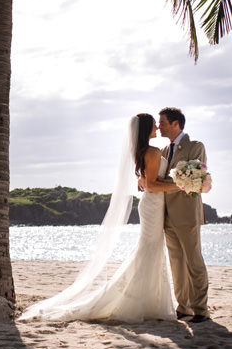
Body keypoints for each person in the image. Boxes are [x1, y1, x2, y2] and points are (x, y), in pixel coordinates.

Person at [19, 113, 178, 322]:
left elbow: (144, 180)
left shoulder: (142, 151)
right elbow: (150, 185)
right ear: (146, 128)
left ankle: (150, 301)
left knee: (151, 249)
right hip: (153, 204)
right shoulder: (153, 151)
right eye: (154, 126)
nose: (157, 128)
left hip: (152, 205)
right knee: (150, 248)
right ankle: (143, 301)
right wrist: (179, 185)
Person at [157, 107, 210, 323]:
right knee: (176, 262)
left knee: (193, 261)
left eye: (162, 123)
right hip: (167, 215)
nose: (159, 126)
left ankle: (200, 309)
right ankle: (184, 306)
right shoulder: (163, 151)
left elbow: (193, 179)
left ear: (176, 123)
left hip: (187, 215)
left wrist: (160, 183)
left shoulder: (195, 147)